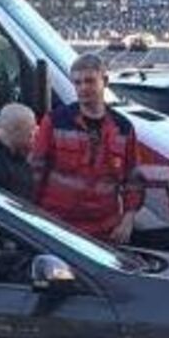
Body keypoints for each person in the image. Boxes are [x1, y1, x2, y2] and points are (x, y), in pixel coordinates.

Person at [32, 53, 144, 243]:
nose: (83, 88)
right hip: (59, 228)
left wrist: (128, 220)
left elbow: (133, 181)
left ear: (105, 81)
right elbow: (34, 175)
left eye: (90, 81)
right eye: (77, 82)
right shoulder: (55, 121)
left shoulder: (123, 128)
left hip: (105, 233)